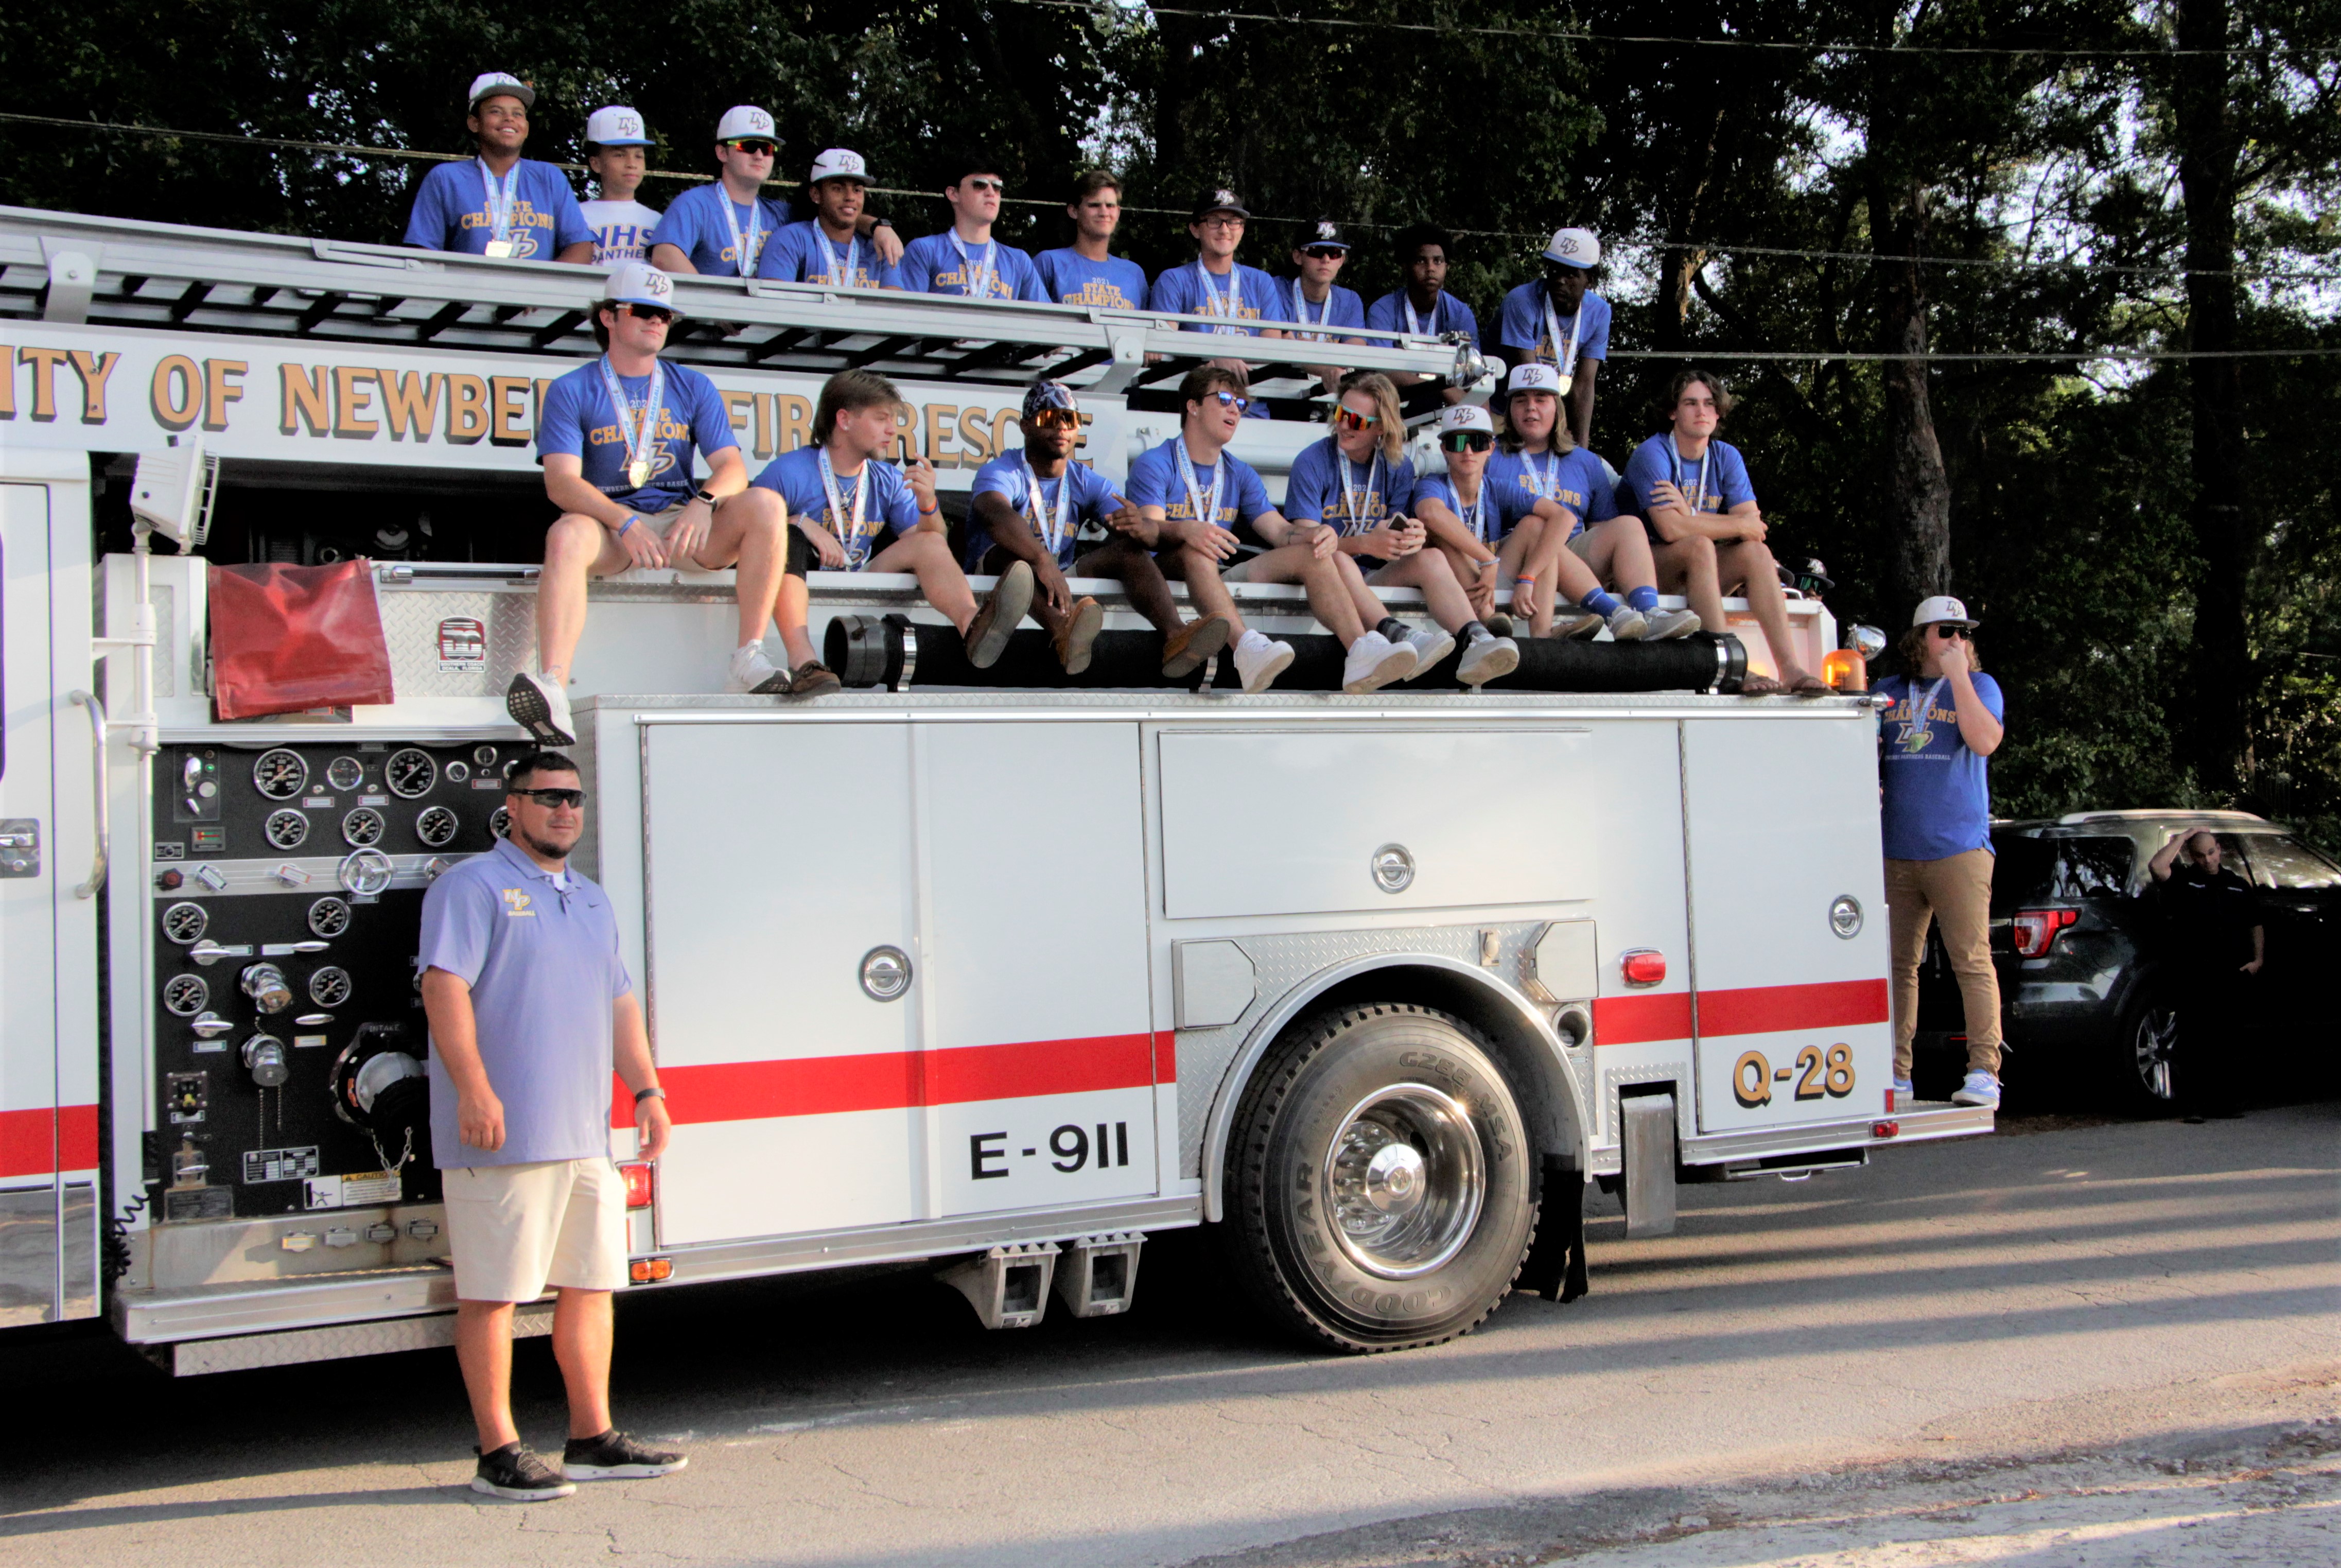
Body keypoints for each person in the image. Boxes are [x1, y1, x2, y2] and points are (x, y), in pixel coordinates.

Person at [418, 750, 685, 1502]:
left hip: (584, 1137)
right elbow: (445, 989)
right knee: (494, 1295)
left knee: (593, 1285)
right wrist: (474, 1088)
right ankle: (497, 1450)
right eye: (548, 798)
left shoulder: (592, 899)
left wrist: (647, 1089)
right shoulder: (470, 888)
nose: (565, 810)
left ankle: (591, 1438)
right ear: (513, 806)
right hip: (503, 1139)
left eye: (574, 798)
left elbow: (620, 1003)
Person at [509, 264, 794, 746]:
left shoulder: (691, 384)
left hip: (678, 524)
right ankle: (554, 684)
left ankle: (749, 655)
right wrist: (622, 522)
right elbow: (560, 483)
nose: (657, 322)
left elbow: (732, 468)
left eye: (665, 315)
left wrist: (704, 502)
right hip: (610, 527)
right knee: (565, 532)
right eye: (644, 311)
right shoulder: (571, 388)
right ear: (608, 318)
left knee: (766, 503)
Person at [1128, 365, 1420, 695]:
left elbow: (1279, 533)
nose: (1234, 409)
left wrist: (1316, 535)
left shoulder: (1239, 471)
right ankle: (1245, 649)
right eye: (1224, 399)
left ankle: (1360, 651)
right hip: (1164, 576)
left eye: (1240, 404)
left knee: (1313, 553)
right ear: (1192, 406)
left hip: (1216, 577)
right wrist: (1187, 530)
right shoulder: (1156, 462)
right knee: (1194, 549)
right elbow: (1151, 533)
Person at [749, 368, 1033, 694]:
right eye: (881, 419)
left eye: (893, 421)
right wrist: (799, 523)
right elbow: (747, 531)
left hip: (857, 580)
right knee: (787, 536)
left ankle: (974, 626)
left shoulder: (885, 477)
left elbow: (931, 541)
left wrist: (928, 504)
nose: (892, 431)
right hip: (800, 588)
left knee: (928, 543)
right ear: (844, 420)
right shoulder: (789, 472)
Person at [965, 379, 1233, 678]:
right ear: (1026, 426)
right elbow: (994, 513)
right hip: (994, 582)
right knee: (1015, 562)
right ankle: (1061, 632)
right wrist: (1041, 560)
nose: (1062, 428)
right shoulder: (1003, 470)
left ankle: (1176, 636)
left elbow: (1138, 528)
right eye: (1050, 418)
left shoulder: (1083, 478)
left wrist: (1139, 526)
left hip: (1056, 581)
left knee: (1128, 551)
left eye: (1070, 419)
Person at [1285, 372, 1518, 686]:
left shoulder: (1397, 466)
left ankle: (1476, 639)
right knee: (1336, 560)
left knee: (1432, 557)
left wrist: (1411, 538)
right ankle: (1401, 634)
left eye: (1356, 420)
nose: (1343, 425)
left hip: (1373, 576)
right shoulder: (1312, 461)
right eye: (1341, 413)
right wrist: (1365, 543)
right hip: (1328, 576)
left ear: (1381, 427)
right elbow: (1308, 546)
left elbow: (1393, 536)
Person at [1874, 597, 2007, 1110]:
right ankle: (1895, 1074)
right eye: (1947, 630)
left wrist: (1960, 678)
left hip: (1959, 849)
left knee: (1970, 961)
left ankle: (1983, 1072)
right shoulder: (1887, 692)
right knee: (1897, 965)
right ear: (1919, 638)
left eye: (1965, 632)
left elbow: (1985, 739)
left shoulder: (1982, 687)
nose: (1959, 640)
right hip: (1897, 850)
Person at [1623, 369, 1822, 692]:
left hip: (1699, 570)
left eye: (1709, 404)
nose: (1701, 411)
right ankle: (1730, 665)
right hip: (1648, 570)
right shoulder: (1653, 453)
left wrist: (1689, 512)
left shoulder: (1726, 456)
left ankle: (1791, 669)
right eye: (1690, 403)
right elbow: (1671, 529)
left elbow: (1753, 529)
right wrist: (1728, 523)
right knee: (1699, 545)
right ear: (1673, 412)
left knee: (1757, 553)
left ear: (1719, 412)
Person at [1488, 364, 1697, 642]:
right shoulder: (1489, 455)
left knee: (1629, 526)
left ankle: (1651, 615)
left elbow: (1601, 530)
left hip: (1574, 559)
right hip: (1515, 556)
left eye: (1541, 399)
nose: (1531, 408)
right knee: (1540, 526)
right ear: (1510, 409)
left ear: (1557, 408)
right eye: (1521, 400)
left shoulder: (1586, 462)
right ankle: (1614, 614)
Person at [403, 72, 592, 264]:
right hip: (466, 292)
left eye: (518, 113)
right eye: (496, 111)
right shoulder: (446, 179)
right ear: (474, 123)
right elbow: (423, 252)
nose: (509, 119)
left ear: (526, 127)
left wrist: (544, 289)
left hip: (536, 292)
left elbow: (581, 246)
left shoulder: (549, 177)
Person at [2147, 829, 2265, 1118]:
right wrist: (2183, 837)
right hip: (2196, 972)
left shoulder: (2237, 884)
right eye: (2200, 855)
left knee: (2227, 1038)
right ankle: (2194, 1105)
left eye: (2211, 853)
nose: (2207, 860)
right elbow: (2157, 867)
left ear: (2219, 850)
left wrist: (2258, 959)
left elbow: (2255, 922)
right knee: (2195, 1039)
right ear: (2192, 856)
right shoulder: (2185, 882)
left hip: (2231, 971)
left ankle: (2226, 1102)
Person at [1145, 190, 1290, 415]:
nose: (1225, 229)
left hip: (1250, 408)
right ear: (1195, 229)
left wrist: (1221, 359)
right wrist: (1215, 356)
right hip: (1196, 408)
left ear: (1242, 229)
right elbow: (1165, 343)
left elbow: (1269, 350)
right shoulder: (1173, 280)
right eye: (1214, 221)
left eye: (1233, 222)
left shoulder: (1261, 282)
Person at [1497, 227, 1609, 449]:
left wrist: (1582, 451)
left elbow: (1584, 386)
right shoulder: (1521, 301)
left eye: (1571, 274)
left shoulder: (1600, 312)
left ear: (1590, 280)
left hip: (1545, 414)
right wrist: (1557, 431)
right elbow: (1531, 379)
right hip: (1499, 410)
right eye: (1555, 270)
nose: (1560, 280)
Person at [649, 106, 789, 278]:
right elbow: (665, 257)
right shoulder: (695, 204)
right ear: (722, 152)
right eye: (749, 146)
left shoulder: (781, 213)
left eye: (767, 148)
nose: (759, 155)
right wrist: (710, 303)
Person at [898, 158, 1048, 301]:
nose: (991, 193)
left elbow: (1046, 320)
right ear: (953, 193)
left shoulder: (1019, 260)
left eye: (997, 187)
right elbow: (908, 316)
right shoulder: (924, 250)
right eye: (980, 185)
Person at [1366, 226, 1479, 405]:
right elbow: (1383, 373)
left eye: (1438, 261)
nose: (1431, 269)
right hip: (1394, 406)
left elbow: (1473, 376)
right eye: (1421, 261)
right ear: (1405, 265)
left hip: (1446, 410)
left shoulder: (1460, 313)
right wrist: (1441, 388)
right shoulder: (1383, 310)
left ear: (1447, 266)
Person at [759, 148, 899, 289]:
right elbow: (775, 305)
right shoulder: (791, 239)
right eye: (838, 189)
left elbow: (895, 308)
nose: (850, 197)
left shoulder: (880, 246)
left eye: (857, 190)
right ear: (816, 195)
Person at [1033, 171, 1150, 309]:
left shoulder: (1134, 274)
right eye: (1094, 205)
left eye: (1110, 206)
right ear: (1074, 211)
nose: (1104, 213)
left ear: (1118, 212)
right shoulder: (1050, 263)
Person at [1285, 219, 1369, 397]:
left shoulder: (1351, 300)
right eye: (1316, 252)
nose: (1326, 259)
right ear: (1298, 256)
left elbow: (1354, 354)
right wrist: (1328, 368)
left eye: (1334, 253)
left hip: (1330, 395)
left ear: (1342, 260)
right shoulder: (1276, 290)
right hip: (1280, 392)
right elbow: (1285, 346)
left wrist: (1305, 349)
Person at [577, 106, 660, 266]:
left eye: (638, 156)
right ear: (596, 163)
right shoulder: (576, 216)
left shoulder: (658, 221)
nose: (632, 164)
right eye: (620, 155)